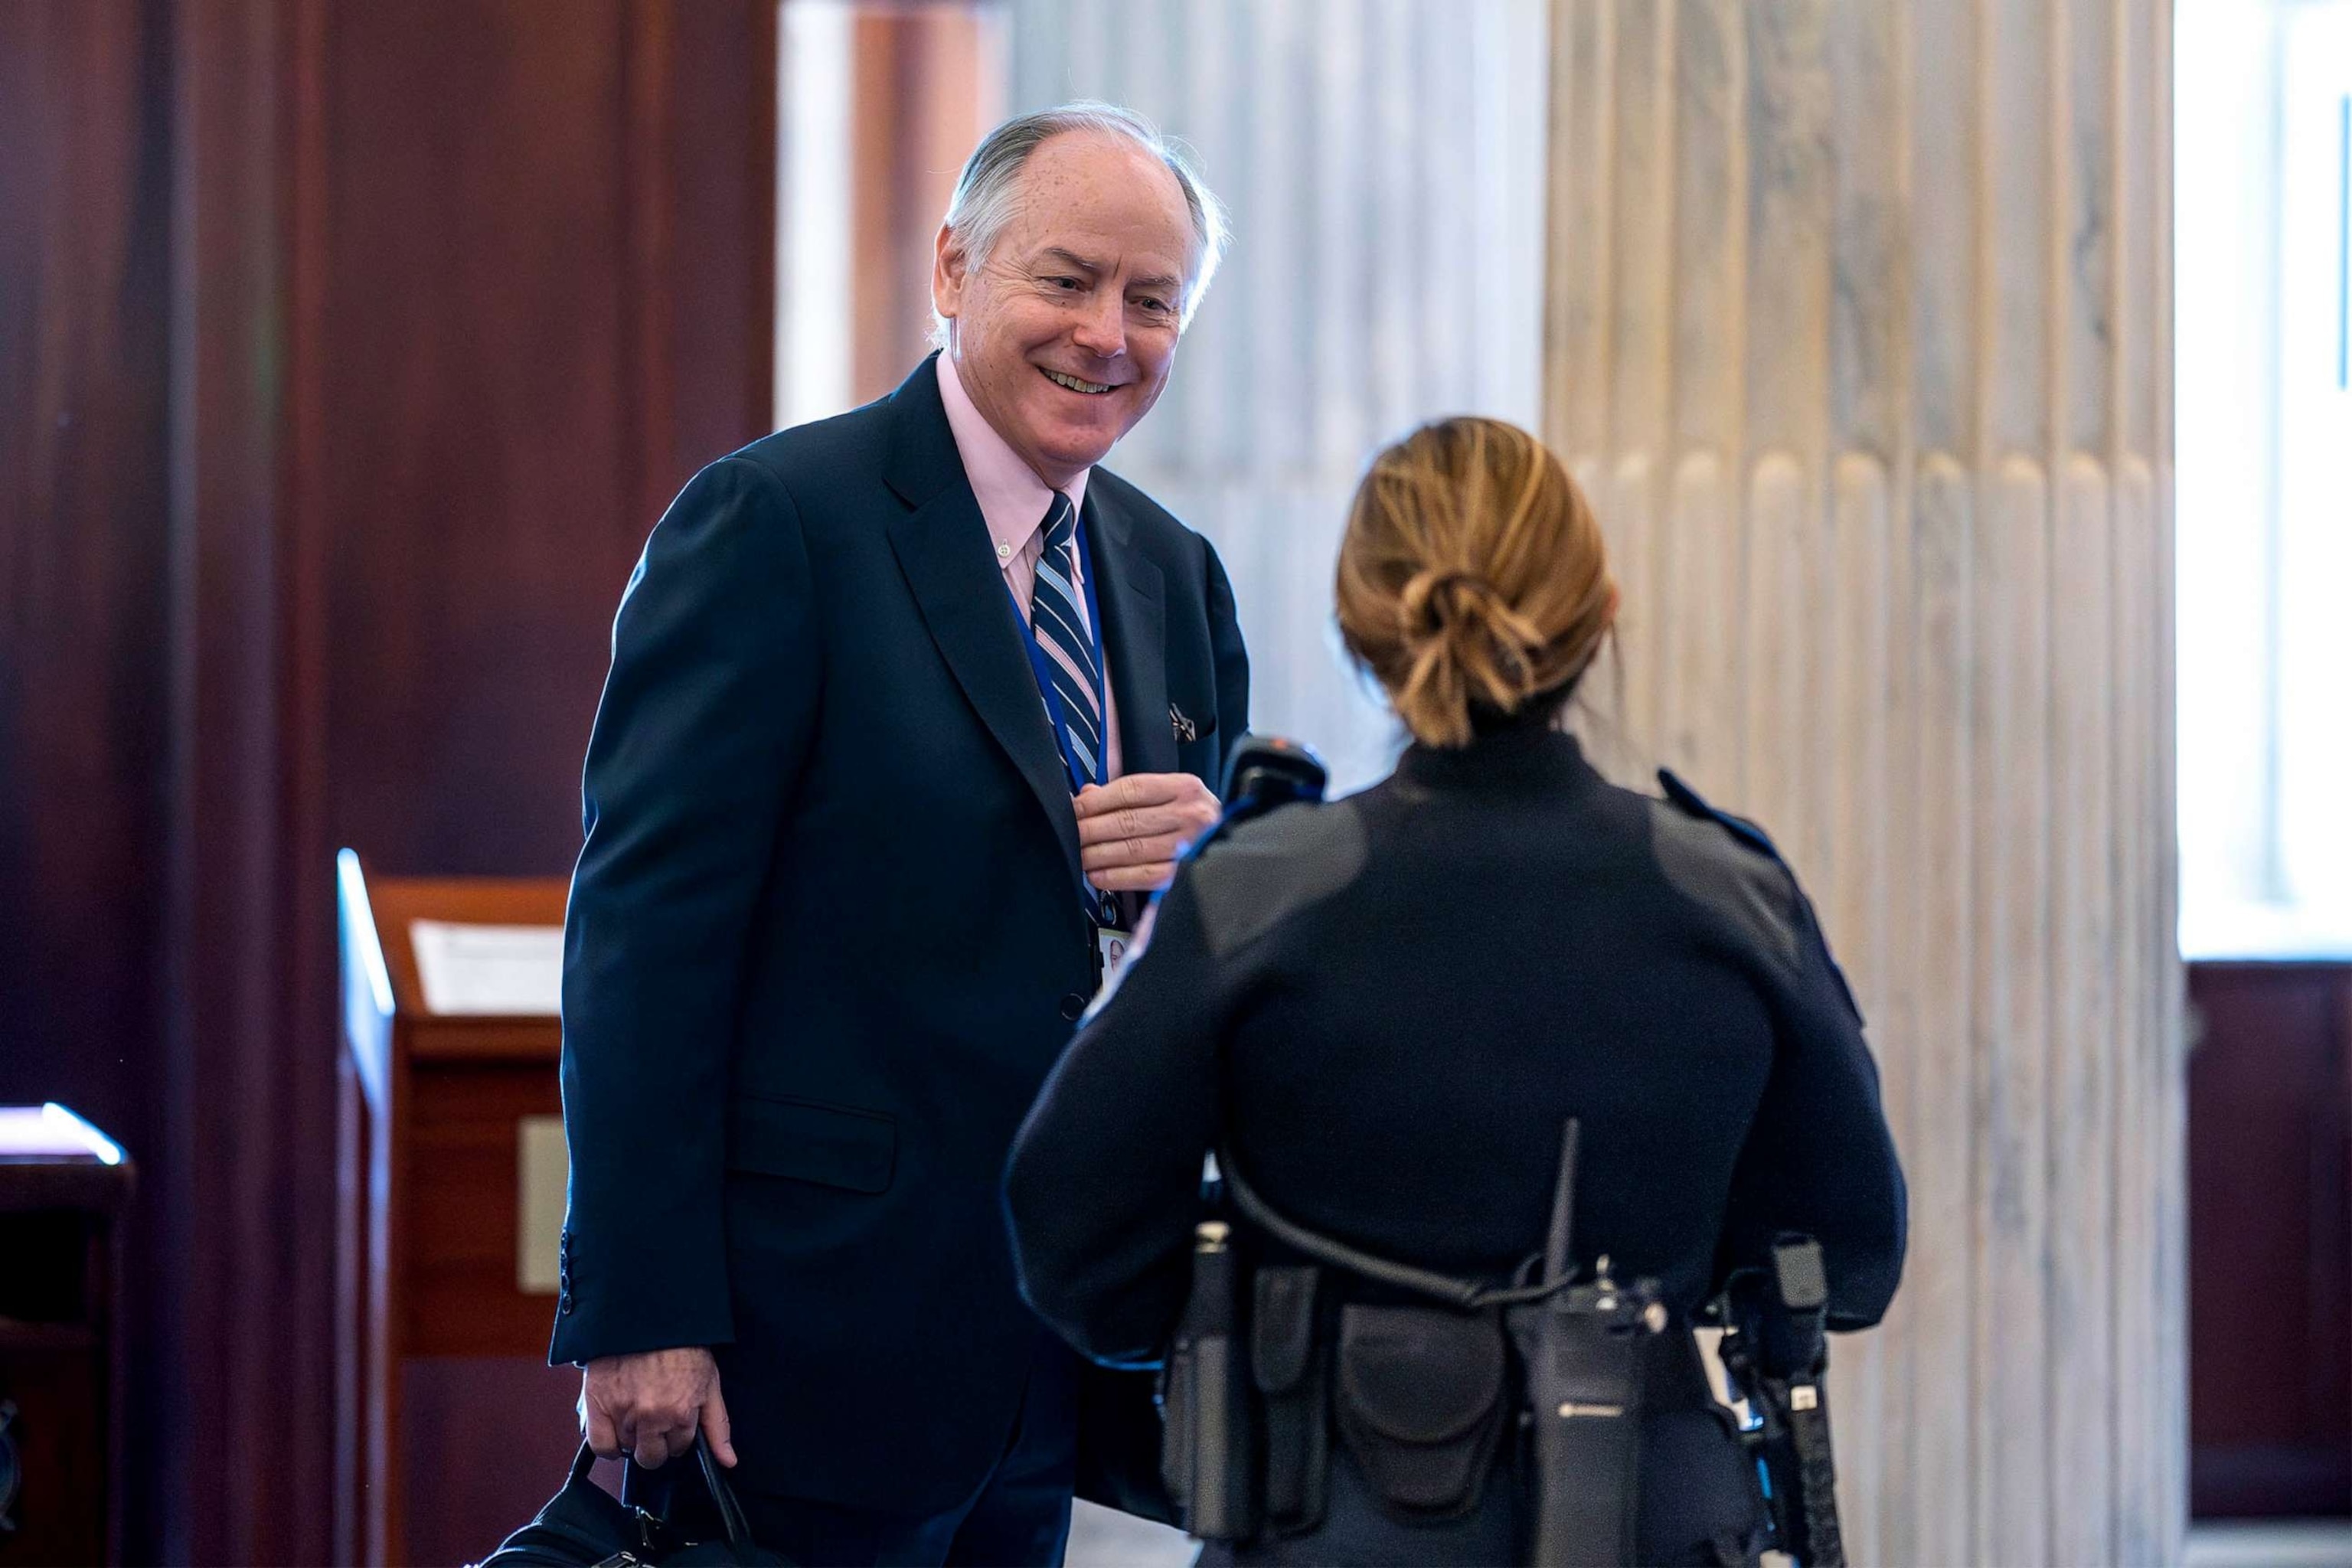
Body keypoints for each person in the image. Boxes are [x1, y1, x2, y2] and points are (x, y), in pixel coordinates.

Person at [1004, 416, 1907, 1565]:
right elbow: (1850, 1254)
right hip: (1650, 1509)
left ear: (1357, 629)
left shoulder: (1261, 894)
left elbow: (1069, 1235)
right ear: (1600, 616)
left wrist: (1253, 1310)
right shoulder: (1727, 892)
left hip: (1327, 1506)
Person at [548, 103, 1250, 1566]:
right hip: (801, 1355)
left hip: (1057, 1359)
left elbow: (1157, 973)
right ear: (953, 270)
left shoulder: (1173, 576)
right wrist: (644, 1310)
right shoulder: (773, 523)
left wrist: (1212, 880)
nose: (1106, 335)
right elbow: (643, 942)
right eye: (1065, 281)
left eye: (1152, 299)